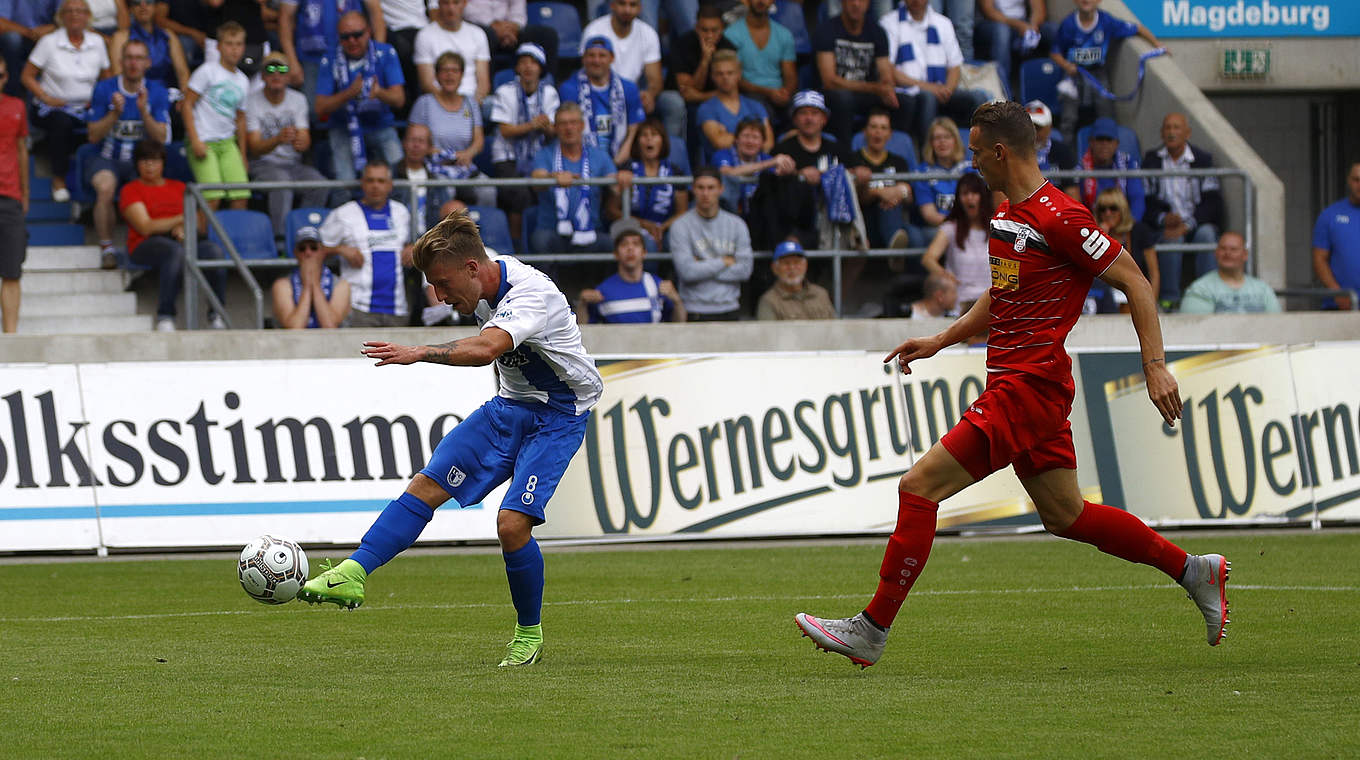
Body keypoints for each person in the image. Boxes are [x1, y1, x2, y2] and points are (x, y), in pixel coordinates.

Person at [794, 100, 1229, 669]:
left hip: (1028, 388)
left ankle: (870, 630)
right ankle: (1194, 569)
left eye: (975, 151)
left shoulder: (1061, 219)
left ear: (1000, 152)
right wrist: (942, 340)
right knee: (1067, 516)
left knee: (918, 487)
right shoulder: (1006, 216)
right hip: (1021, 385)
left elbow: (1138, 284)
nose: (971, 162)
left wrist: (1154, 365)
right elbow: (1003, 298)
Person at [298, 209, 605, 669]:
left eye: (444, 285)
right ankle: (352, 572)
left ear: (472, 269)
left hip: (558, 415)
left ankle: (528, 633)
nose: (440, 297)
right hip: (510, 406)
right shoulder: (478, 276)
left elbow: (486, 349)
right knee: (426, 484)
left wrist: (419, 352)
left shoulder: (531, 295)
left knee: (511, 524)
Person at [118, 138, 229, 331]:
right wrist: (180, 220)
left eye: (154, 160)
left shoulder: (180, 187)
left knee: (214, 251)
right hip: (146, 243)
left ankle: (217, 313)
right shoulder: (131, 190)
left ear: (163, 163)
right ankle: (165, 315)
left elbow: (200, 223)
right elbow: (145, 226)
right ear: (137, 164)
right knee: (174, 251)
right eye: (144, 161)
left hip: (184, 237)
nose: (150, 165)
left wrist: (186, 228)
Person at [86, 39, 172, 268]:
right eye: (129, 57)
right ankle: (107, 249)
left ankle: (146, 246)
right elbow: (93, 135)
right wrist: (114, 114)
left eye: (139, 58)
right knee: (105, 187)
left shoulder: (157, 91)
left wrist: (144, 112)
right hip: (107, 157)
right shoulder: (105, 88)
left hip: (142, 161)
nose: (134, 63)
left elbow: (161, 138)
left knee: (151, 184)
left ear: (148, 63)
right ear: (121, 62)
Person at [21, 0, 110, 203]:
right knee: (61, 122)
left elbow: (107, 77)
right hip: (52, 106)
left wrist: (98, 101)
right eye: (69, 11)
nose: (75, 15)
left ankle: (97, 182)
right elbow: (27, 76)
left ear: (88, 16)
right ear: (61, 17)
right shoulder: (49, 42)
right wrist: (46, 97)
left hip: (86, 107)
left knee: (109, 119)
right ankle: (58, 180)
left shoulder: (97, 42)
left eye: (80, 11)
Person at [1051, 0, 1161, 145]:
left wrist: (1158, 44)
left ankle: (1113, 156)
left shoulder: (1106, 21)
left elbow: (1137, 28)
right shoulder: (1068, 24)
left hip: (1098, 74)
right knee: (1068, 117)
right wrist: (1066, 66)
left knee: (1106, 113)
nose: (1086, 0)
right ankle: (1066, 155)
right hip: (1074, 75)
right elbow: (1055, 52)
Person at [1142, 112, 1224, 305]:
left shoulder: (1202, 160)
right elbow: (1145, 201)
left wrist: (1188, 224)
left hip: (1196, 222)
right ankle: (1170, 301)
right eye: (1168, 128)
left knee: (1206, 235)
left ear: (1187, 133)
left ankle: (1209, 298)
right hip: (1166, 225)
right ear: (1162, 133)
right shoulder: (1151, 161)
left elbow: (1213, 203)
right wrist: (1163, 218)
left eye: (1176, 128)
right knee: (1172, 239)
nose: (1172, 133)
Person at [319, 161, 415, 326]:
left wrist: (414, 249)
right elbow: (313, 250)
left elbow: (408, 245)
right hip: (358, 308)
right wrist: (340, 249)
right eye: (370, 180)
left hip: (397, 309)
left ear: (390, 185)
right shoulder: (344, 214)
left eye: (381, 181)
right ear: (362, 183)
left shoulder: (401, 213)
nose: (375, 186)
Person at [882, 0, 989, 146]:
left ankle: (976, 152)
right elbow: (888, 68)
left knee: (979, 97)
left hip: (942, 91)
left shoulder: (943, 23)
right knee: (928, 97)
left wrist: (948, 90)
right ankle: (928, 156)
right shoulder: (889, 22)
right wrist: (928, 87)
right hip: (907, 92)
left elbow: (955, 66)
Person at [245, 51, 329, 237]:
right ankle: (282, 239)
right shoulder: (251, 101)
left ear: (289, 76)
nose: (276, 74)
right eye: (271, 69)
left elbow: (305, 140)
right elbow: (255, 148)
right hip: (262, 164)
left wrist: (301, 142)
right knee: (281, 182)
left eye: (282, 69)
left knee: (320, 184)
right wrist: (277, 140)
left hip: (293, 164)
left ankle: (304, 232)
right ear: (263, 75)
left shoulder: (298, 100)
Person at [318, 11, 406, 180]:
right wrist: (348, 94)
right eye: (345, 37)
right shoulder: (329, 58)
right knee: (344, 182)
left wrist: (380, 93)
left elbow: (399, 99)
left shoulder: (386, 53)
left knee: (398, 171)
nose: (352, 41)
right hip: (343, 126)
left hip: (380, 124)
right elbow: (320, 107)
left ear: (368, 32)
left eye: (357, 35)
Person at [528, 102, 624, 255]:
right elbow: (536, 179)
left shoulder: (599, 156)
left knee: (613, 245)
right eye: (563, 124)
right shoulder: (545, 154)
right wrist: (553, 177)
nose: (569, 128)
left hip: (591, 231)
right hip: (553, 230)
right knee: (541, 241)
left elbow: (616, 188)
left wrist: (623, 179)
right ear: (556, 128)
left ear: (582, 125)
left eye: (573, 123)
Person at [489, 42, 558, 250]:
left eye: (533, 63)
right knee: (520, 195)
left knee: (545, 191)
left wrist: (545, 127)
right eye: (523, 62)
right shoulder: (505, 91)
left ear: (541, 68)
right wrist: (532, 125)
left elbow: (554, 131)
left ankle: (540, 245)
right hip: (506, 157)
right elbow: (505, 130)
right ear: (517, 67)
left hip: (539, 157)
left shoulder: (550, 93)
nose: (528, 67)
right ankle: (519, 249)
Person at [409, 51, 494, 208]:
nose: (449, 75)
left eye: (454, 71)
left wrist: (468, 153)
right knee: (445, 192)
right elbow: (415, 142)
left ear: (462, 75)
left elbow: (479, 141)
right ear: (436, 75)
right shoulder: (424, 103)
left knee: (488, 190)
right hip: (435, 168)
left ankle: (480, 230)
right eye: (444, 70)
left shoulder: (471, 103)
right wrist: (443, 155)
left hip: (464, 167)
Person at [669, 167, 754, 321]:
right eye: (700, 188)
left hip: (730, 309)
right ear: (693, 189)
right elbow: (687, 272)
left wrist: (702, 264)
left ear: (721, 189)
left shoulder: (737, 224)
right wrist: (724, 261)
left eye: (711, 188)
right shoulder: (680, 226)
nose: (705, 194)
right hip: (694, 310)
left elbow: (745, 270)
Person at [182, 20, 250, 211]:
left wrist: (243, 155)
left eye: (238, 44)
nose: (234, 49)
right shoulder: (207, 71)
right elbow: (186, 105)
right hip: (204, 139)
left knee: (241, 196)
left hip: (228, 143)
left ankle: (234, 239)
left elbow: (241, 119)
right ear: (219, 47)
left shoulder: (243, 80)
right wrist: (195, 140)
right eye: (229, 44)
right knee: (212, 198)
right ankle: (204, 239)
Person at [814, 0, 900, 147]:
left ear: (868, 4)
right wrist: (875, 88)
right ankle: (845, 154)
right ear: (842, 3)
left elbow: (885, 72)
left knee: (904, 101)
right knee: (844, 99)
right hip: (835, 93)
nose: (856, 4)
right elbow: (829, 81)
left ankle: (894, 156)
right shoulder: (826, 30)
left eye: (862, 0)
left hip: (866, 94)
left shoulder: (877, 32)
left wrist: (886, 87)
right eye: (851, 0)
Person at [277, 0, 386, 108]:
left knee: (360, 105)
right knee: (312, 110)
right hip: (312, 58)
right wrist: (291, 61)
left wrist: (376, 56)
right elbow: (285, 18)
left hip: (353, 55)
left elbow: (376, 14)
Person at [558, 36, 646, 166]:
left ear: (612, 58)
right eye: (591, 55)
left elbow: (633, 131)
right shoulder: (569, 88)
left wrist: (616, 163)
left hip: (621, 160)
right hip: (582, 163)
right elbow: (568, 129)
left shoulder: (628, 88)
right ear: (583, 59)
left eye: (602, 55)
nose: (596, 60)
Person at [578, 227, 686, 323]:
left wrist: (676, 301)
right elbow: (584, 330)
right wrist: (582, 304)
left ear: (644, 253)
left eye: (636, 244)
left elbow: (679, 325)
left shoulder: (659, 286)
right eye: (624, 244)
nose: (630, 249)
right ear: (616, 254)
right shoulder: (602, 291)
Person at [848, 107, 920, 250]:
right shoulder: (853, 160)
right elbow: (854, 197)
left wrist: (900, 191)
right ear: (865, 131)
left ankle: (894, 244)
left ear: (889, 134)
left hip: (895, 218)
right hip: (863, 220)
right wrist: (880, 193)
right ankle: (894, 250)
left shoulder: (899, 161)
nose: (878, 132)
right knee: (886, 203)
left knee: (916, 237)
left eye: (883, 128)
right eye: (873, 127)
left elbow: (909, 199)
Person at [612, 118, 688, 250]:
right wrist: (644, 225)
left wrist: (661, 228)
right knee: (648, 246)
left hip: (666, 228)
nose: (649, 139)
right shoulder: (626, 170)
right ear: (637, 142)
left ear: (663, 141)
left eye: (654, 135)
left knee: (676, 241)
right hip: (632, 228)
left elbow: (682, 211)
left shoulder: (675, 172)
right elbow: (611, 209)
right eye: (644, 135)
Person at [921, 171, 991, 309]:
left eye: (974, 193)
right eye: (965, 194)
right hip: (961, 302)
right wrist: (946, 276)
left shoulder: (996, 225)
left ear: (982, 197)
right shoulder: (951, 228)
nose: (970, 198)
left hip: (989, 302)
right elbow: (928, 259)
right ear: (959, 199)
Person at [580, 0, 663, 116]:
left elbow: (655, 80)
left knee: (669, 102)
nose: (627, 10)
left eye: (632, 5)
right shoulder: (594, 30)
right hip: (599, 93)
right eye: (622, 4)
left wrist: (649, 95)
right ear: (612, 5)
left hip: (633, 95)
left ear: (640, 8)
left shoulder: (649, 33)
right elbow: (589, 71)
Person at [670, 4, 737, 143]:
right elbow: (687, 93)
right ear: (696, 28)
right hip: (681, 99)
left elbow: (730, 89)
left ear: (723, 29)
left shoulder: (728, 47)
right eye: (704, 30)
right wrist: (705, 60)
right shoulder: (682, 44)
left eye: (714, 30)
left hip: (713, 101)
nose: (709, 36)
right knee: (686, 109)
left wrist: (700, 96)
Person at [724, 0, 797, 123]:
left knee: (802, 112)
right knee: (761, 111)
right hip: (749, 93)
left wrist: (786, 92)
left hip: (779, 92)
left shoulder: (784, 34)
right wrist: (768, 92)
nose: (761, 1)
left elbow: (790, 75)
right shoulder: (731, 34)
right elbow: (734, 78)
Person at [696, 50, 772, 165]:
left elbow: (768, 143)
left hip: (756, 169)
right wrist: (755, 138)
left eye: (730, 73)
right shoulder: (706, 108)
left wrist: (728, 134)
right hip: (722, 169)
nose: (725, 77)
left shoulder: (755, 106)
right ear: (712, 76)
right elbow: (719, 142)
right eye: (719, 74)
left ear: (739, 74)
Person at [1089, 186, 1157, 313]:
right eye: (1103, 209)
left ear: (1122, 210)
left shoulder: (1140, 231)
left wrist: (1151, 307)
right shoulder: (1094, 234)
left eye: (1113, 208)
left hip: (1134, 294)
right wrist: (1101, 236)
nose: (1107, 213)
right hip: (1104, 297)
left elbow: (1154, 274)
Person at [1179, 232, 1280, 315]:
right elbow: (1194, 327)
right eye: (1223, 248)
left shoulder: (1262, 289)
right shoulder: (1200, 289)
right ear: (1216, 253)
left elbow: (1277, 325)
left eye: (1233, 249)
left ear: (1245, 255)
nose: (1227, 253)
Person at [271, 225, 353, 328]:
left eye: (313, 248)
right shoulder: (282, 285)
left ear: (322, 252)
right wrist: (306, 288)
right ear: (295, 253)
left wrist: (315, 284)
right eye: (302, 249)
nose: (308, 253)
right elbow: (295, 328)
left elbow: (329, 326)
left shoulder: (341, 285)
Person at [714, 117, 793, 219]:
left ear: (762, 142)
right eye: (746, 136)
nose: (750, 141)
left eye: (755, 137)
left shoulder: (766, 159)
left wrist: (788, 169)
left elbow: (779, 174)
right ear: (736, 139)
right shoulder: (723, 154)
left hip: (759, 217)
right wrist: (769, 164)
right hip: (729, 216)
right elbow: (727, 172)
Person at [414, 0, 490, 103]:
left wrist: (471, 106)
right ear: (439, 4)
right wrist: (452, 106)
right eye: (446, 3)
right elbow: (427, 83)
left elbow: (483, 83)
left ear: (464, 3)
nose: (451, 8)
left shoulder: (478, 34)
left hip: (473, 101)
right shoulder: (425, 35)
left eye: (456, 3)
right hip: (439, 101)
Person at [0, 58, 28, 333]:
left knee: (11, 271)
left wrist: (25, 193)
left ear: (6, 77)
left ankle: (10, 339)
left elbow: (21, 150)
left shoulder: (17, 106)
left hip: (9, 196)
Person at [110, 0, 191, 93]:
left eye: (148, 2)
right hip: (132, 95)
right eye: (137, 3)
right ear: (131, 9)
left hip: (165, 95)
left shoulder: (168, 36)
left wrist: (185, 100)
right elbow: (117, 75)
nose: (143, 6)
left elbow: (183, 74)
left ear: (156, 7)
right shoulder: (120, 38)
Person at [1311, 161, 1360, 311]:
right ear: (1348, 181)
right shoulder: (1330, 215)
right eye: (1356, 180)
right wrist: (1337, 292)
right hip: (1340, 306)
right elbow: (1319, 259)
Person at [465, 0, 559, 78]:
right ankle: (488, 90)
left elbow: (518, 7)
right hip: (480, 26)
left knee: (547, 35)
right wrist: (493, 25)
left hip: (511, 29)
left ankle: (547, 86)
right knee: (486, 35)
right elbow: (465, 8)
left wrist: (513, 27)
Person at [1080, 116, 1144, 226]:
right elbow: (1079, 207)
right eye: (1100, 139)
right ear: (1091, 142)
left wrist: (1127, 228)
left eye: (1109, 140)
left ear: (1116, 144)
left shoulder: (1129, 164)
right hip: (1092, 229)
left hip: (1124, 226)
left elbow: (1137, 201)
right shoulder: (1080, 169)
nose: (1104, 144)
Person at [975, 0, 1054, 88]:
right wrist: (1019, 25)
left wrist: (1033, 26)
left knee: (1052, 29)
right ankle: (1003, 89)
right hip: (993, 23)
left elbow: (1039, 10)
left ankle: (1063, 84)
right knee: (1002, 31)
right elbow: (988, 11)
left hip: (1023, 22)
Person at [756, 238, 836, 320]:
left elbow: (835, 328)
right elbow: (767, 332)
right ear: (774, 268)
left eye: (797, 262)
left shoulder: (821, 294)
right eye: (786, 263)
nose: (792, 268)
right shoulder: (769, 301)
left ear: (805, 265)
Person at [913, 116, 971, 227]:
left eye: (947, 137)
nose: (942, 142)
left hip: (969, 226)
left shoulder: (970, 168)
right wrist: (957, 226)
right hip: (938, 228)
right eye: (937, 138)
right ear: (931, 143)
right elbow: (929, 215)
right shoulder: (922, 173)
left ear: (955, 140)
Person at [0, 0, 60, 98]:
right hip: (19, 38)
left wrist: (51, 28)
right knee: (12, 39)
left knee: (55, 39)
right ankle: (13, 93)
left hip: (47, 37)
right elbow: (1, 22)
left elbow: (68, 15)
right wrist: (30, 33)